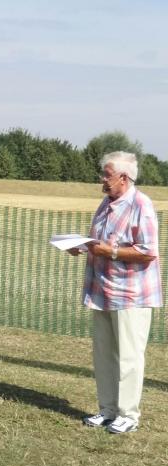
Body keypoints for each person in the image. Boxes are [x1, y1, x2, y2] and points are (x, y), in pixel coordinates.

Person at [69, 151, 162, 434]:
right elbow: (100, 241)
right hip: (102, 291)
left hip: (131, 295)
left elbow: (148, 252)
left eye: (107, 175)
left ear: (124, 178)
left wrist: (109, 252)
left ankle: (128, 415)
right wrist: (82, 245)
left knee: (129, 356)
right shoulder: (106, 203)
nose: (102, 179)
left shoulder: (141, 205)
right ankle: (107, 410)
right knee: (103, 354)